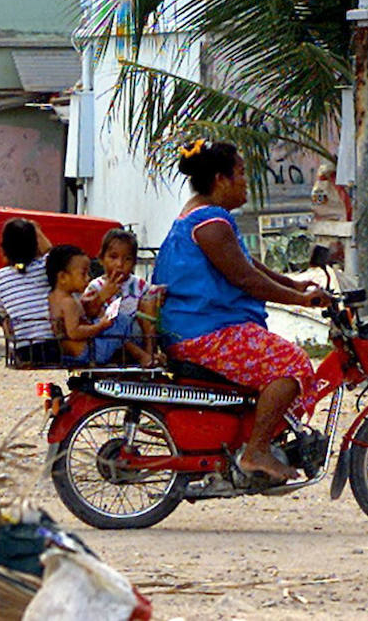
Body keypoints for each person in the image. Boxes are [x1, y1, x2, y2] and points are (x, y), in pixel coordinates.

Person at [153, 139, 331, 483]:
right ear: (220, 179)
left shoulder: (200, 216)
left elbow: (250, 265)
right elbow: (246, 278)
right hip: (204, 332)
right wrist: (299, 301)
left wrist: (295, 285)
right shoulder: (211, 223)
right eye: (241, 173)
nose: (246, 181)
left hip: (198, 328)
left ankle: (253, 438)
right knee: (291, 364)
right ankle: (256, 452)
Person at [47, 244, 153, 368]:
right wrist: (100, 326)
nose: (88, 278)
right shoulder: (68, 302)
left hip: (78, 351)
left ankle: (141, 355)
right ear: (63, 277)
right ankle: (142, 355)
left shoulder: (53, 297)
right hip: (90, 352)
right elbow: (74, 332)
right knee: (120, 321)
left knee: (113, 322)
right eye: (83, 274)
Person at [82, 228, 163, 361]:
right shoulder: (95, 286)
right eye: (113, 257)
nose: (119, 264)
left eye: (127, 259)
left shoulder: (139, 285)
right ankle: (141, 356)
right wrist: (102, 296)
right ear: (102, 259)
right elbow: (89, 314)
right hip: (108, 338)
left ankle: (150, 353)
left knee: (149, 301)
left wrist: (157, 294)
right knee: (104, 318)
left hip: (135, 334)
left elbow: (149, 313)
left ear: (134, 263)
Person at [0, 218, 60, 366]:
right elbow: (55, 253)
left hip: (24, 350)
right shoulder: (47, 266)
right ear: (36, 246)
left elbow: (0, 313)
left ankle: (12, 345)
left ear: (3, 249)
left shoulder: (0, 277)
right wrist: (37, 230)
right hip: (55, 346)